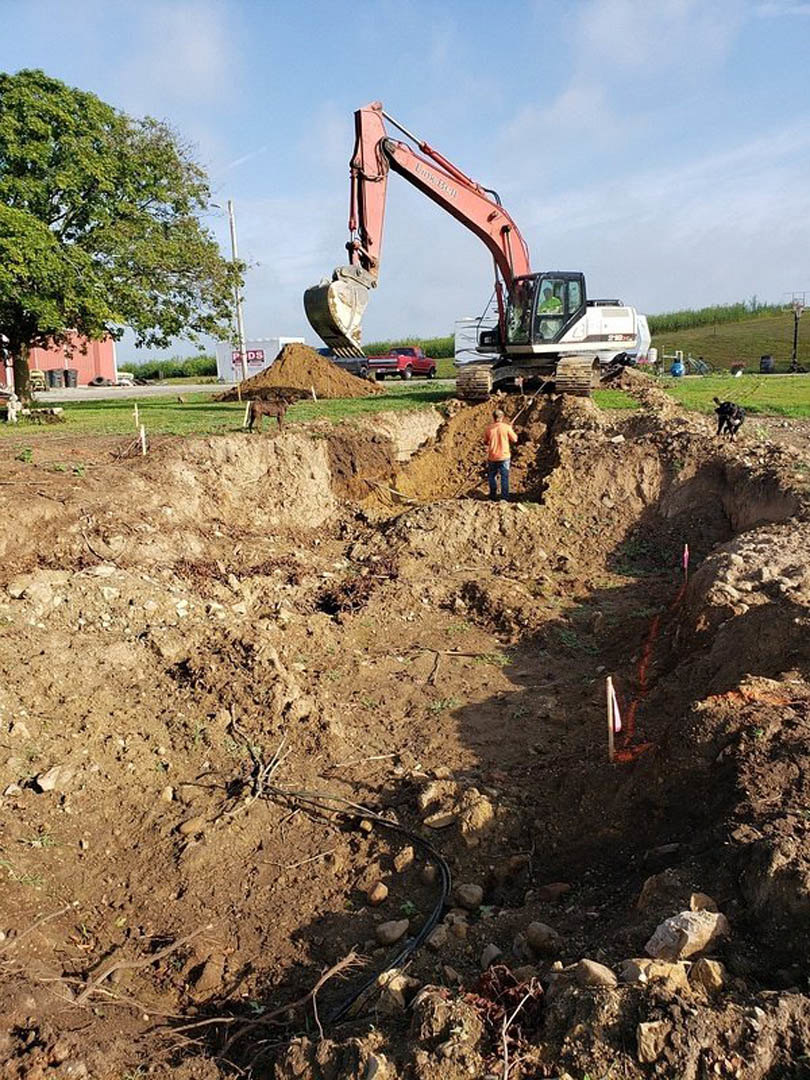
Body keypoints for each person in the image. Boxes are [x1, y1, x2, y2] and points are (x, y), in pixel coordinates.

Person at [484, 407, 517, 501]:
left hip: (492, 456)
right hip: (504, 456)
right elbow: (515, 439)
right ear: (502, 417)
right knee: (504, 477)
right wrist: (510, 429)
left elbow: (486, 442)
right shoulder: (506, 427)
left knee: (491, 476)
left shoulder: (488, 429)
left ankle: (492, 495)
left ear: (493, 417)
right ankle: (504, 497)